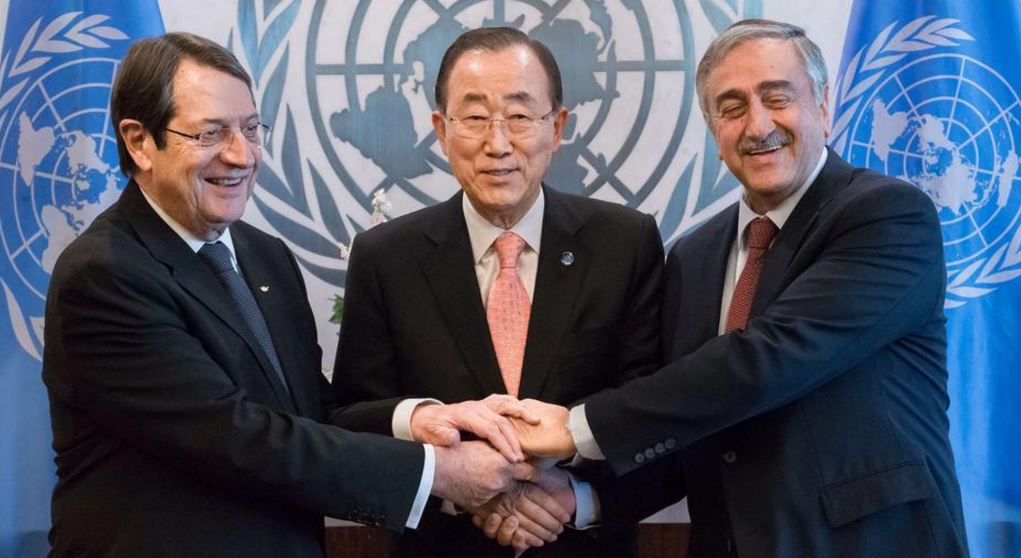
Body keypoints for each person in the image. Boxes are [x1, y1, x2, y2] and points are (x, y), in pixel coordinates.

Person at [42, 32, 534, 558]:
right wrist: (437, 472)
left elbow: (307, 412)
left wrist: (418, 421)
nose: (241, 155)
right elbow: (237, 438)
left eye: (251, 129)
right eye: (210, 133)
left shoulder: (264, 256)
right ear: (140, 142)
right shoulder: (104, 276)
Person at [497, 19, 970, 558]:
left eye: (777, 98)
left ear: (823, 107)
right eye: (732, 107)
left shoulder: (887, 216)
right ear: (712, 128)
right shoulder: (693, 256)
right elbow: (686, 418)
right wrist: (578, 499)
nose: (758, 125)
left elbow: (769, 359)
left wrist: (574, 427)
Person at [330, 27, 664, 557]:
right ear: (441, 131)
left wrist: (574, 498)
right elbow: (352, 419)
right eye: (475, 117)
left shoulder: (625, 243)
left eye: (520, 115)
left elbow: (652, 410)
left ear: (557, 127)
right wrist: (455, 488)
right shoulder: (385, 256)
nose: (498, 143)